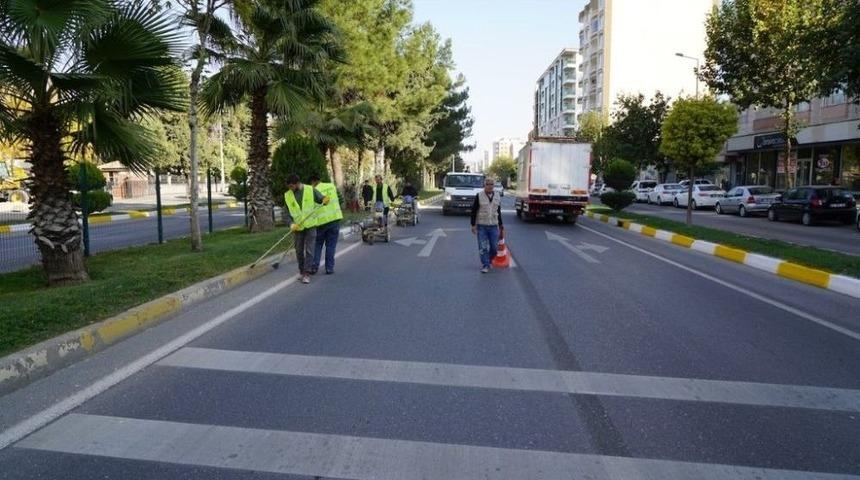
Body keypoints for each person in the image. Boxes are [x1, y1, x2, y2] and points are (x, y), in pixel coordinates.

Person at [284, 174, 328, 284]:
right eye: (289, 187)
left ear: (297, 184)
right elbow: (286, 213)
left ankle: (307, 273)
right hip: (297, 227)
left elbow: (321, 198)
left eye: (291, 186)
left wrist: (325, 199)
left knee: (309, 250)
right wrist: (291, 224)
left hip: (310, 226)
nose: (290, 189)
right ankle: (301, 271)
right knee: (298, 250)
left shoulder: (310, 190)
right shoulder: (288, 195)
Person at [310, 175, 342, 275]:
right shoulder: (331, 186)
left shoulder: (312, 191)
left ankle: (314, 267)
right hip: (334, 220)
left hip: (321, 223)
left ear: (313, 182)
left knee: (317, 245)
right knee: (331, 245)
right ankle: (329, 268)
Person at [470, 177, 504, 274]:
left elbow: (498, 212)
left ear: (493, 186)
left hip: (494, 226)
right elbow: (474, 211)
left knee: (494, 247)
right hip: (482, 226)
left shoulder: (497, 196)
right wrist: (473, 225)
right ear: (484, 185)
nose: (489, 186)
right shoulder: (479, 196)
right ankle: (485, 264)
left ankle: (488, 260)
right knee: (483, 247)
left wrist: (501, 226)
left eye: (491, 184)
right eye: (487, 184)